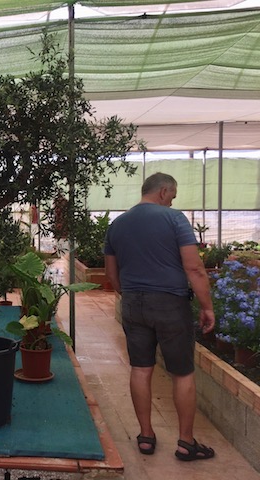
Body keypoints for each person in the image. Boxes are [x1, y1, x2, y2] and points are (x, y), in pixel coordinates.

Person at [104, 172, 216, 462]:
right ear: (164, 191)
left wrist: (130, 295)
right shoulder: (174, 219)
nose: (172, 202)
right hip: (170, 304)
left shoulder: (117, 224)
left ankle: (145, 437)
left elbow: (111, 274)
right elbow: (194, 268)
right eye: (173, 196)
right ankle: (186, 442)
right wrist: (207, 307)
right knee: (182, 372)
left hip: (133, 303)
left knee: (141, 369)